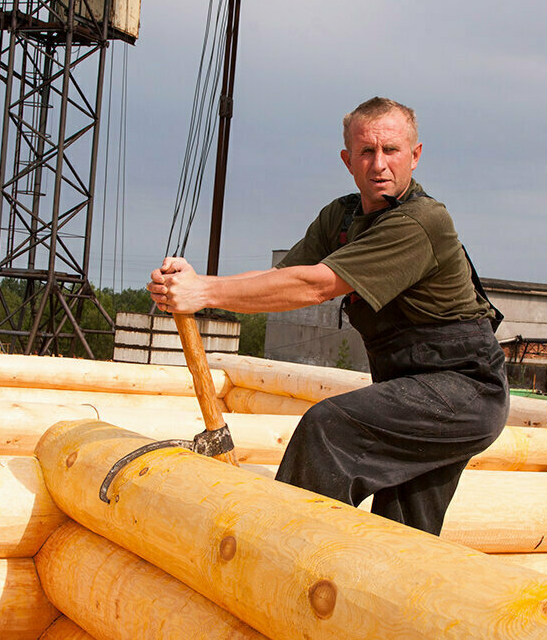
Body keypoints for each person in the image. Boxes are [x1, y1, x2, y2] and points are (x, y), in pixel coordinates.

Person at [148, 97, 510, 535]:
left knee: (328, 431)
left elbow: (315, 285)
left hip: (465, 391)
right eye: (366, 152)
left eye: (391, 150)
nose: (379, 164)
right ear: (348, 160)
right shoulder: (341, 218)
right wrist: (197, 283)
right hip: (412, 389)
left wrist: (202, 291)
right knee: (405, 531)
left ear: (415, 156)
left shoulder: (421, 221)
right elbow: (277, 278)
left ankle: (283, 561)